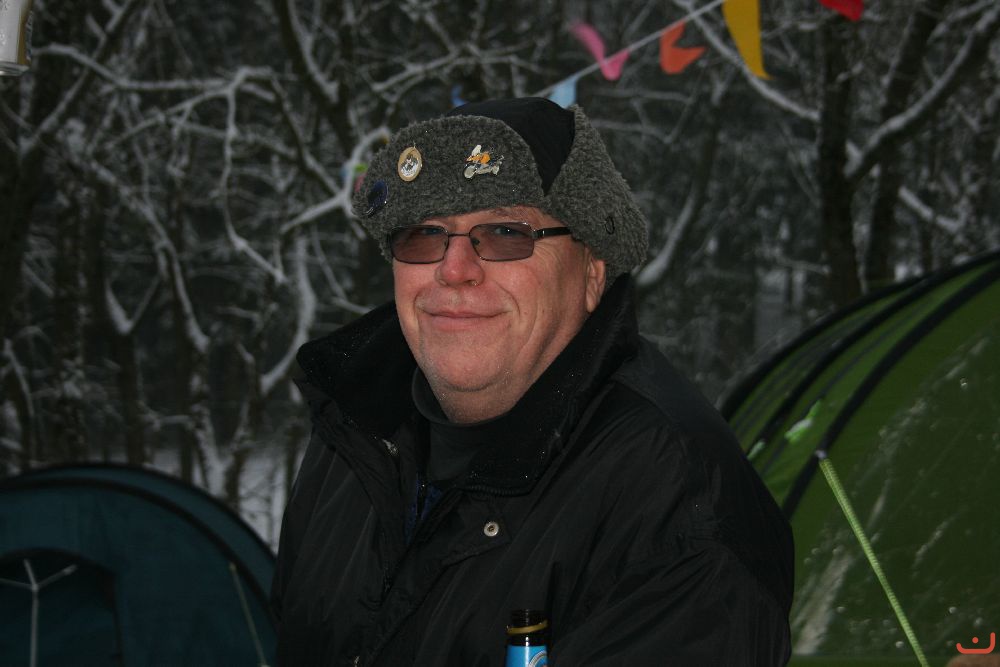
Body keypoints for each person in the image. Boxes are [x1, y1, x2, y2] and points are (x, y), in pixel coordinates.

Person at [271, 97, 794, 666]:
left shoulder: (676, 505)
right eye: (423, 233)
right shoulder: (352, 437)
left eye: (505, 233)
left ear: (591, 272)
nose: (454, 269)